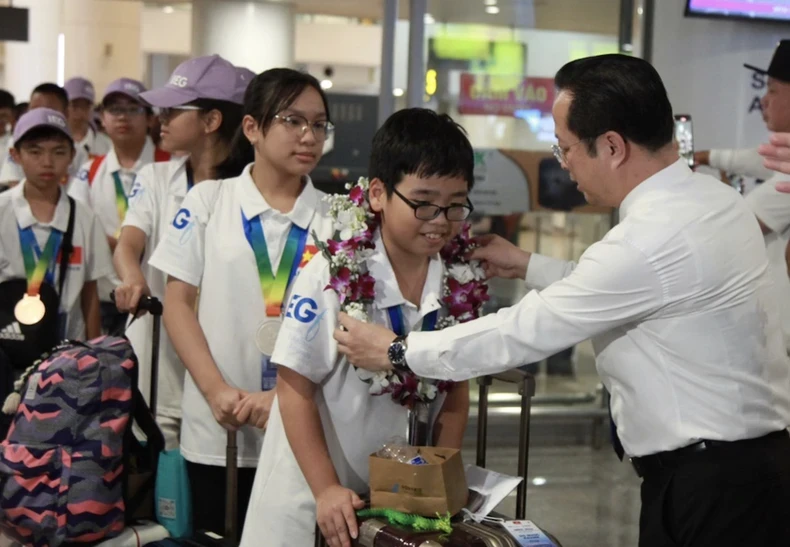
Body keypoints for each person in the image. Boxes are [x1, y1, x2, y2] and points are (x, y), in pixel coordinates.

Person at [335, 54, 790, 547]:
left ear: (612, 146)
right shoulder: (713, 201)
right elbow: (628, 292)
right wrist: (527, 264)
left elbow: (524, 330)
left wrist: (399, 351)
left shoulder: (647, 239)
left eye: (566, 147)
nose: (563, 161)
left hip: (712, 489)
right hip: (755, 468)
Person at [240, 108, 473, 547]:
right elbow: (293, 387)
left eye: (456, 203)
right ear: (379, 194)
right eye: (423, 202)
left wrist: (441, 478)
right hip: (314, 494)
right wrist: (326, 488)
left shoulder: (458, 281)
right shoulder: (331, 275)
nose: (440, 219)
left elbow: (456, 388)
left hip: (396, 504)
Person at [147, 68, 336, 535]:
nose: (308, 136)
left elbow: (343, 327)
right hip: (219, 425)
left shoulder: (338, 218)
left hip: (306, 429)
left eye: (319, 124)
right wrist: (216, 392)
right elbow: (177, 303)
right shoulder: (208, 201)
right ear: (252, 127)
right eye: (293, 121)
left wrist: (283, 399)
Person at [112, 55, 245, 450]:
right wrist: (133, 278)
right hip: (160, 362)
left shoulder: (247, 189)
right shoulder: (155, 177)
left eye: (173, 110)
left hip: (228, 367)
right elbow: (128, 243)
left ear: (211, 121)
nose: (160, 119)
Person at [67, 78, 170, 335]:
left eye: (133, 109)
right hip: (102, 299)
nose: (123, 117)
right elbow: (76, 228)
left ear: (149, 118)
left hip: (155, 299)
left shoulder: (171, 167)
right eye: (115, 110)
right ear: (102, 118)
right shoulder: (89, 171)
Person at [0, 108, 113, 342]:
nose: (47, 162)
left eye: (58, 152)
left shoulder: (84, 217)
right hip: (7, 349)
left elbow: (89, 293)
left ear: (72, 156)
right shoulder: (2, 210)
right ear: (16, 155)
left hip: (66, 354)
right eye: (35, 152)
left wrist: (92, 352)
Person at [0, 84, 89, 187]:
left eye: (58, 152)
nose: (40, 116)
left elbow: (80, 191)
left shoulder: (79, 153)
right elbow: (12, 182)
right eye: (35, 152)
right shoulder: (17, 142)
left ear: (66, 113)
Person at [64, 77, 112, 158]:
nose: (80, 112)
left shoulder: (107, 145)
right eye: (74, 105)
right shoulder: (55, 143)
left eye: (85, 106)